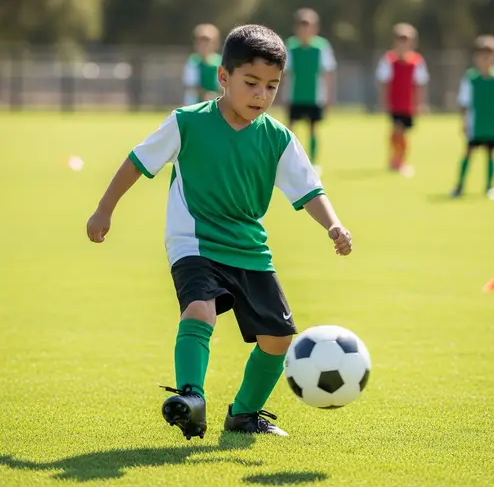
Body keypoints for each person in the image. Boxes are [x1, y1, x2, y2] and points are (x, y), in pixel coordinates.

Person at [86, 24, 352, 440]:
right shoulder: (187, 123)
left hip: (249, 248)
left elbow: (309, 190)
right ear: (223, 78)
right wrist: (104, 210)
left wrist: (333, 224)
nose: (261, 95)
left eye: (272, 86)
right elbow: (137, 162)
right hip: (194, 242)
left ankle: (244, 415)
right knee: (199, 309)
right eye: (251, 83)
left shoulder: (278, 138)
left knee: (279, 338)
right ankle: (190, 399)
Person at [284, 8, 337, 173]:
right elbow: (286, 73)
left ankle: (313, 162)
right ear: (297, 28)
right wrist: (283, 95)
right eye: (302, 26)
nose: (305, 30)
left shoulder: (322, 47)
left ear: (315, 28)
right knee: (290, 129)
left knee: (313, 128)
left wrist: (328, 96)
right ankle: (287, 161)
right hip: (295, 96)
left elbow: (327, 72)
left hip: (315, 97)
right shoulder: (290, 46)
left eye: (308, 26)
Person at [452, 35, 494, 200]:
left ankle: (489, 186)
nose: (486, 60)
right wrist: (464, 122)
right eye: (482, 56)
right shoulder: (471, 78)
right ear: (476, 58)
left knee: (490, 154)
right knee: (468, 153)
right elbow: (463, 102)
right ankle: (459, 185)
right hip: (476, 124)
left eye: (490, 56)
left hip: (493, 124)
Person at [376, 23, 429, 173]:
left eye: (406, 40)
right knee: (396, 131)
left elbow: (420, 85)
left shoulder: (417, 62)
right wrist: (383, 103)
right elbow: (384, 83)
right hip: (394, 104)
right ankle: (395, 160)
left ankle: (401, 159)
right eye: (400, 39)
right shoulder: (388, 60)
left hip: (408, 104)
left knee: (403, 133)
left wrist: (421, 104)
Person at [183, 24, 222, 105]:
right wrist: (205, 95)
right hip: (195, 106)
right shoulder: (193, 62)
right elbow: (191, 86)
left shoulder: (219, 62)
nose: (205, 46)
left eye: (208, 42)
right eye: (201, 43)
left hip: (215, 105)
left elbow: (223, 86)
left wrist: (216, 95)